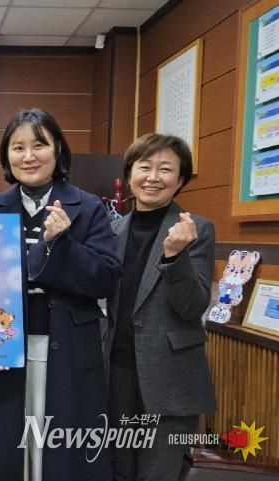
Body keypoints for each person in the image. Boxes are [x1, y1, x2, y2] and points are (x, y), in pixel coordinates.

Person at [0, 108, 121, 481]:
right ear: (7, 157)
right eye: (18, 147)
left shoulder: (87, 207)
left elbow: (106, 278)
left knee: (64, 455)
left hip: (68, 348)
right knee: (8, 449)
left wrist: (63, 244)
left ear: (58, 149)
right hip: (6, 351)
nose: (28, 156)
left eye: (39, 145)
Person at [106, 133, 216, 481]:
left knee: (159, 474)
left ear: (180, 180)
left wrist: (175, 257)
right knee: (119, 471)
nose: (153, 177)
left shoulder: (195, 229)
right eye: (145, 167)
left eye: (165, 169)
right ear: (129, 175)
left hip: (170, 377)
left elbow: (193, 307)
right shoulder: (112, 231)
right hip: (116, 373)